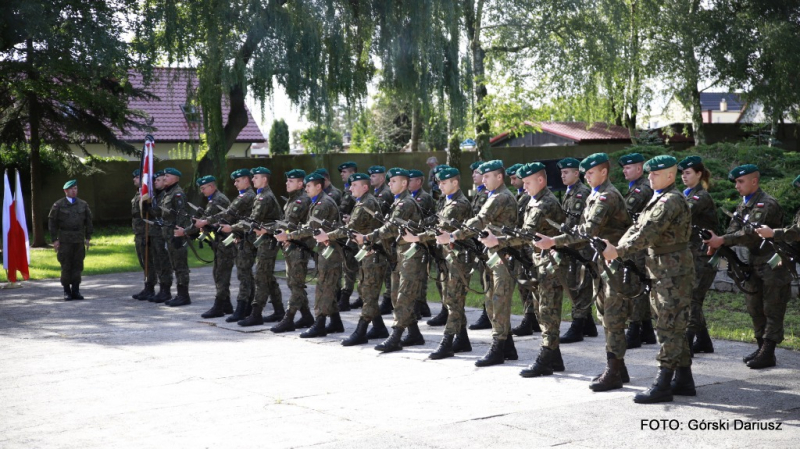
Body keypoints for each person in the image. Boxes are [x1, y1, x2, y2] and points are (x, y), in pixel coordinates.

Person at [535, 153, 632, 391]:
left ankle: (615, 370)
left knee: (612, 316)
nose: (587, 178)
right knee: (606, 314)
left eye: (590, 173)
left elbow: (586, 231)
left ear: (603, 172)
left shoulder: (606, 196)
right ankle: (618, 367)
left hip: (615, 263)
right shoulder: (596, 194)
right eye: (585, 174)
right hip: (604, 261)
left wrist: (553, 241)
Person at [602, 155, 695, 403]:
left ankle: (663, 383)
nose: (650, 177)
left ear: (670, 175)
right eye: (649, 173)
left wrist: (618, 251)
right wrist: (617, 247)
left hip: (673, 272)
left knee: (668, 324)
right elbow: (635, 228)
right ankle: (684, 379)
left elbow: (647, 232)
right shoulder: (657, 198)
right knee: (672, 323)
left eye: (655, 174)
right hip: (662, 269)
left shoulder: (670, 200)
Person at [706, 164, 792, 370]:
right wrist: (718, 243)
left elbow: (750, 234)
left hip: (773, 263)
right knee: (754, 306)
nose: (737, 186)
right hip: (754, 263)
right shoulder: (744, 205)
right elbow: (733, 229)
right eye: (735, 182)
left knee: (772, 307)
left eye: (740, 181)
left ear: (754, 181)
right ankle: (762, 346)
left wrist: (722, 240)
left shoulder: (766, 204)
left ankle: (768, 351)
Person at [486, 162, 566, 376]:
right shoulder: (535, 200)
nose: (524, 186)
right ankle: (554, 357)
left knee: (547, 310)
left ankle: (547, 357)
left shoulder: (544, 203)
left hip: (550, 263)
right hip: (540, 261)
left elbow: (525, 234)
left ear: (541, 180)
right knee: (542, 308)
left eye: (528, 182)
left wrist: (497, 241)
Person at [440, 160, 519, 366]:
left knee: (498, 301)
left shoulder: (500, 197)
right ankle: (508, 346)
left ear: (499, 177)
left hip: (503, 255)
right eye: (482, 176)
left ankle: (498, 348)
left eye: (486, 176)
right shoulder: (494, 196)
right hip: (493, 254)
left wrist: (453, 235)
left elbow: (480, 220)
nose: (482, 180)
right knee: (493, 300)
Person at [355, 168, 425, 352]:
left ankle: (396, 336)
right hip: (401, 254)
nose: (390, 184)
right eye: (390, 181)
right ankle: (414, 333)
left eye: (393, 181)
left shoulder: (405, 203)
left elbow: (391, 228)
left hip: (411, 254)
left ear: (404, 183)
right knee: (396, 294)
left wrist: (369, 237)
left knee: (403, 295)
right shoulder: (399, 202)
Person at [316, 172, 390, 345]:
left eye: (354, 185)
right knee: (366, 290)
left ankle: (361, 330)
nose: (350, 188)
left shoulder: (366, 203)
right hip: (367, 253)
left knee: (368, 292)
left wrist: (327, 235)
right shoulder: (363, 202)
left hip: (374, 254)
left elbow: (349, 229)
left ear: (365, 187)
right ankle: (379, 327)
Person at [410, 167, 474, 358]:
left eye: (444, 182)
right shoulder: (448, 201)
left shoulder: (458, 204)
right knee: (452, 298)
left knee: (453, 300)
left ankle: (447, 342)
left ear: (455, 183)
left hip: (459, 257)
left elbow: (441, 229)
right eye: (439, 182)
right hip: (450, 256)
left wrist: (417, 237)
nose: (440, 185)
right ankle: (462, 339)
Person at [277, 171, 343, 337]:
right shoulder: (317, 202)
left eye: (308, 186)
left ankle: (320, 323)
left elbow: (310, 227)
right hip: (326, 249)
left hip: (331, 250)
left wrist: (289, 236)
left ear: (318, 186)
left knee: (324, 286)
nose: (306, 189)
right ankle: (335, 322)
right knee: (327, 284)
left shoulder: (322, 204)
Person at [232, 167, 284, 327]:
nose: (252, 180)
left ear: (264, 180)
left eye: (255, 177)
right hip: (264, 240)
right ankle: (279, 310)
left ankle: (256, 314)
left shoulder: (264, 197)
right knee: (267, 277)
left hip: (268, 241)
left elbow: (253, 220)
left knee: (261, 276)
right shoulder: (261, 195)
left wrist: (232, 227)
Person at [678, 156, 719, 354]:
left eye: (688, 173)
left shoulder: (700, 196)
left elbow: (682, 215)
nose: (684, 176)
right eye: (682, 173)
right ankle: (703, 341)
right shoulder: (685, 194)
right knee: (692, 298)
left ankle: (686, 342)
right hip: (692, 255)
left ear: (699, 174)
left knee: (693, 298)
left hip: (703, 256)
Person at [177, 175, 235, 319]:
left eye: (204, 188)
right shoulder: (214, 199)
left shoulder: (217, 200)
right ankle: (226, 304)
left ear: (212, 186)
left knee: (221, 274)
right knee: (219, 272)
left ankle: (219, 306)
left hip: (227, 241)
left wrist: (185, 231)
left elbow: (204, 221)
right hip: (221, 240)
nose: (202, 191)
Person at [556, 157, 598, 343]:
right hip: (571, 246)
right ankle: (587, 323)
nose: (563, 176)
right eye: (561, 173)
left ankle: (578, 325)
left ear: (576, 173)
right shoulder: (570, 192)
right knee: (573, 284)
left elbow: (573, 222)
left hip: (581, 247)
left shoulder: (581, 193)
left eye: (566, 172)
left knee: (580, 285)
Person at [208, 169, 257, 322]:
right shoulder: (246, 195)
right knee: (245, 274)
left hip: (246, 240)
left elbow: (229, 213)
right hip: (241, 237)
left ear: (246, 181)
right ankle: (248, 306)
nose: (235, 184)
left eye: (237, 181)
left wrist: (206, 221)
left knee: (243, 273)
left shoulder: (247, 196)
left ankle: (242, 308)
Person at [271, 169, 316, 333]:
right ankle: (306, 316)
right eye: (287, 180)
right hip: (291, 245)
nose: (287, 183)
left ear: (300, 184)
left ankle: (288, 318)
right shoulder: (291, 200)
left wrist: (273, 230)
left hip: (299, 247)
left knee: (296, 284)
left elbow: (292, 225)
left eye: (291, 181)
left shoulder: (301, 200)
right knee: (293, 282)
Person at [619, 153, 656, 348]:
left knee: (637, 285)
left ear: (639, 169)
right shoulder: (635, 188)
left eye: (628, 167)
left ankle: (635, 330)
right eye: (624, 167)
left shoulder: (642, 189)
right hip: (635, 243)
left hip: (639, 246)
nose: (624, 170)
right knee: (638, 283)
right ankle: (647, 330)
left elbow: (624, 214)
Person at [505, 163, 540, 337]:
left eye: (515, 178)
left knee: (530, 282)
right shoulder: (519, 197)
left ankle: (531, 317)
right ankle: (530, 318)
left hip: (527, 247)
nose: (512, 182)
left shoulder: (528, 197)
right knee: (523, 283)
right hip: (519, 247)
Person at [49, 179, 93, 301]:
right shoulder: (58, 205)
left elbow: (89, 222)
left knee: (78, 265)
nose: (74, 191)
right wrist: (55, 240)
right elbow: (52, 223)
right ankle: (66, 291)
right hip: (65, 240)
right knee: (66, 265)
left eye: (75, 189)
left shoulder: (83, 204)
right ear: (65, 191)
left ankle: (76, 290)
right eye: (71, 189)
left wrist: (88, 237)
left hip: (78, 240)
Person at [159, 168, 192, 307]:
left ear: (175, 178)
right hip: (169, 234)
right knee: (175, 265)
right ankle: (179, 294)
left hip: (176, 234)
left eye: (167, 176)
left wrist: (179, 235)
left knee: (180, 266)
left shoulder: (177, 194)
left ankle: (184, 295)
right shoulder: (168, 193)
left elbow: (182, 215)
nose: (164, 178)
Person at [408, 168, 436, 319]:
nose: (408, 183)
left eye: (410, 180)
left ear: (418, 182)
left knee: (420, 274)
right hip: (414, 238)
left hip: (422, 239)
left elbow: (426, 219)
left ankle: (420, 305)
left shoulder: (423, 197)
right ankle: (422, 306)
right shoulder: (412, 196)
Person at [468, 160, 492, 330]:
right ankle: (488, 312)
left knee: (489, 280)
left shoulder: (487, 194)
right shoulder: (479, 192)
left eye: (477, 172)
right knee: (484, 279)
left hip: (487, 241)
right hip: (479, 242)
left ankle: (488, 314)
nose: (474, 175)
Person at [369, 165, 396, 315]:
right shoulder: (377, 192)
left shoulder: (385, 193)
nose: (371, 178)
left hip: (386, 237)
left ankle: (388, 300)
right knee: (387, 269)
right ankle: (388, 299)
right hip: (381, 236)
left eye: (374, 175)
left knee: (389, 270)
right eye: (371, 175)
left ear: (381, 177)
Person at [147, 171, 175, 304]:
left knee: (164, 262)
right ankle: (162, 288)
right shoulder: (157, 195)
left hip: (163, 233)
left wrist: (148, 207)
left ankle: (166, 290)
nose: (156, 182)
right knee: (157, 261)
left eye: (159, 180)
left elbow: (159, 212)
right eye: (156, 180)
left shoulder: (166, 195)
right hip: (155, 233)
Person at [337, 161, 361, 310]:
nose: (341, 174)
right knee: (349, 266)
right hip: (348, 233)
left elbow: (343, 211)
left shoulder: (352, 193)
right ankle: (351, 297)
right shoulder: (347, 191)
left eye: (345, 172)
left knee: (350, 267)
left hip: (354, 235)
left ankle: (346, 297)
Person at [131, 169, 156, 301]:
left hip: (146, 231)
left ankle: (150, 287)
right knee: (143, 261)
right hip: (139, 232)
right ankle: (147, 285)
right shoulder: (137, 194)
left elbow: (152, 213)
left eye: (136, 178)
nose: (134, 180)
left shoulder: (148, 194)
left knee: (148, 261)